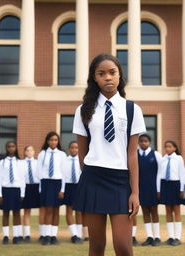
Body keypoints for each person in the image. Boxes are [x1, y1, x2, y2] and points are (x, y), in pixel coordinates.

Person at [72, 53, 146, 256]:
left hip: (120, 181)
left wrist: (135, 192)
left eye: (112, 72)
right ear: (94, 78)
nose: (108, 77)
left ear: (119, 75)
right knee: (96, 246)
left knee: (123, 246)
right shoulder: (83, 110)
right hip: (93, 178)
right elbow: (82, 153)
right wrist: (88, 177)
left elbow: (132, 155)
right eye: (101, 73)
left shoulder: (132, 110)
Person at [38, 131, 67, 245]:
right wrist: (41, 189)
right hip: (46, 183)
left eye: (55, 140)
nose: (53, 142)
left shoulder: (62, 155)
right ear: (47, 141)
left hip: (57, 183)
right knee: (48, 210)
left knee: (56, 210)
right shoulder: (42, 154)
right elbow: (39, 172)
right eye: (51, 140)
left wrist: (62, 189)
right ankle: (46, 236)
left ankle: (53, 236)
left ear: (58, 141)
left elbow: (64, 173)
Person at [156, 141, 185, 246]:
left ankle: (177, 237)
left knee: (176, 211)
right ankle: (171, 237)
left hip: (175, 185)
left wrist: (182, 189)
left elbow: (182, 174)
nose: (167, 148)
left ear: (174, 148)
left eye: (169, 147)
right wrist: (158, 190)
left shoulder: (179, 158)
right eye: (166, 147)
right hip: (165, 185)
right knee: (168, 211)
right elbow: (159, 175)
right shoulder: (163, 159)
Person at [0, 141, 25, 244]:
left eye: (13, 146)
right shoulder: (2, 162)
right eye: (9, 146)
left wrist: (22, 194)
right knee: (6, 213)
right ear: (6, 148)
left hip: (16, 190)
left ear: (16, 148)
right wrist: (0, 194)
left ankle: (16, 236)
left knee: (17, 213)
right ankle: (6, 236)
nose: (11, 148)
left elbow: (22, 179)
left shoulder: (20, 162)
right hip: (6, 190)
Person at [138, 134, 162, 246]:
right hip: (141, 188)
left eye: (146, 141)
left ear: (150, 142)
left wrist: (158, 189)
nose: (143, 143)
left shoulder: (156, 155)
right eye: (141, 141)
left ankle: (157, 237)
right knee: (145, 212)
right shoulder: (135, 155)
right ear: (138, 142)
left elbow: (160, 173)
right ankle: (149, 236)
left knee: (154, 212)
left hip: (153, 188)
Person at [21, 145, 45, 243]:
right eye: (27, 150)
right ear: (25, 152)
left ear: (34, 152)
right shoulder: (21, 163)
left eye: (31, 150)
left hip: (37, 187)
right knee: (27, 211)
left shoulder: (38, 163)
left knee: (42, 211)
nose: (29, 152)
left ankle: (42, 234)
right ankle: (27, 235)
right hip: (26, 187)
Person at [61, 141, 83, 243]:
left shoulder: (82, 160)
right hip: (69, 187)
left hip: (79, 186)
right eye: (72, 147)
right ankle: (74, 234)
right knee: (69, 211)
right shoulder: (65, 160)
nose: (74, 149)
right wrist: (62, 190)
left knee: (79, 212)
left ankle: (79, 235)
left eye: (76, 147)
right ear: (69, 149)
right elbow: (63, 176)